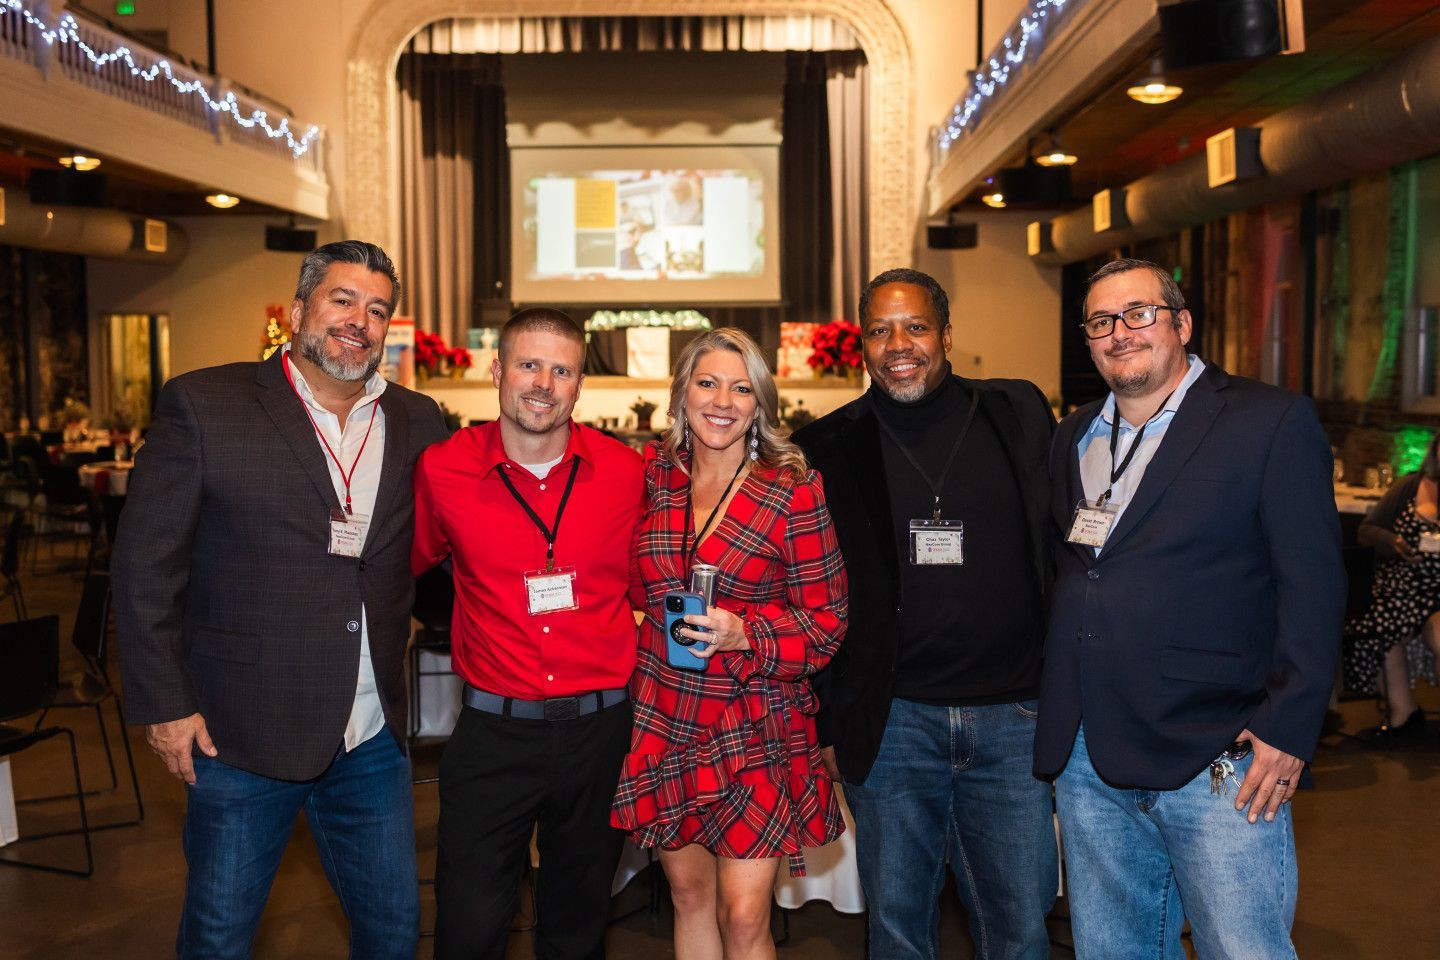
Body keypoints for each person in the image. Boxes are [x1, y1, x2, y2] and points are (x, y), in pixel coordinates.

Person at [112, 240, 450, 959]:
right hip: (239, 736)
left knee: (393, 935)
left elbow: (443, 554)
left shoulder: (419, 420)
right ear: (297, 312)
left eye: (377, 310)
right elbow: (145, 568)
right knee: (219, 939)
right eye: (342, 299)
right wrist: (165, 705)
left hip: (369, 735)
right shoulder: (207, 405)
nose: (360, 320)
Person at [1036, 258, 1345, 959]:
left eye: (1138, 313)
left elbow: (1314, 586)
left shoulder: (1270, 421)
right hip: (1090, 750)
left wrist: (1290, 726)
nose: (1120, 332)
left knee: (1243, 948)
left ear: (1182, 323)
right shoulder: (1073, 435)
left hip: (1221, 749)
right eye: (1100, 321)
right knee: (1112, 949)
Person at [792, 268, 1058, 960]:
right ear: (861, 345)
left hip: (1013, 719)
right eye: (879, 330)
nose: (898, 345)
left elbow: (1061, 546)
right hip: (894, 726)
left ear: (946, 335)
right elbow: (811, 594)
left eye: (915, 327)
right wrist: (828, 721)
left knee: (1020, 928)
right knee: (898, 929)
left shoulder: (1018, 412)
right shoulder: (826, 448)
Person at [411, 307, 645, 960]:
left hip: (601, 735)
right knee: (467, 928)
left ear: (580, 385)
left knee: (577, 931)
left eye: (562, 370)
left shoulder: (626, 472)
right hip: (494, 735)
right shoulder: (443, 470)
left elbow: (648, 581)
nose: (544, 383)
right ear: (497, 371)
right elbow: (416, 567)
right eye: (529, 365)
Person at [610, 328, 847, 960]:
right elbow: (628, 582)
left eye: (741, 389)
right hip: (667, 714)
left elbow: (827, 622)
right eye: (707, 383)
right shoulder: (652, 480)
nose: (722, 401)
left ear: (760, 402)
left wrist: (747, 633)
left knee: (743, 916)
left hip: (755, 720)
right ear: (681, 394)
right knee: (689, 898)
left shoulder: (792, 491)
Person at [1343, 436, 1440, 742]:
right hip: (1400, 586)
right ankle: (1403, 713)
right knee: (1379, 628)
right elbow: (1367, 530)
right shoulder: (1410, 486)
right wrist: (1394, 542)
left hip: (1437, 590)